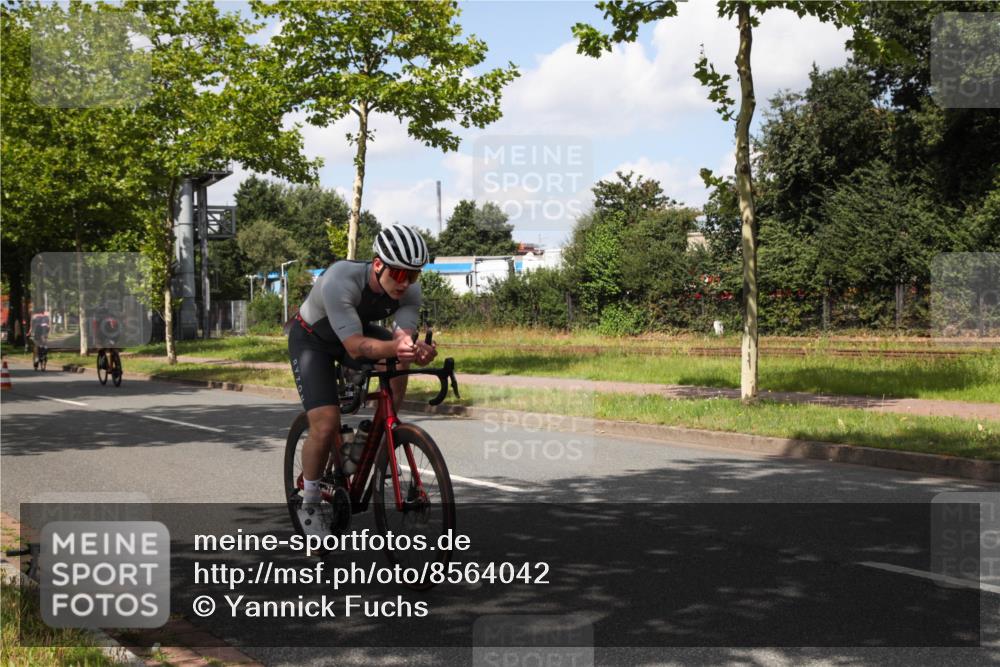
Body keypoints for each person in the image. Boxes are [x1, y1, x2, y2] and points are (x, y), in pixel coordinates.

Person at [287, 224, 437, 535]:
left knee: (399, 361)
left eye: (413, 275)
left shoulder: (410, 290)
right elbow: (357, 347)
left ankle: (379, 437)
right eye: (399, 273)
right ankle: (310, 501)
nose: (405, 283)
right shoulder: (340, 279)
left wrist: (415, 350)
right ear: (378, 264)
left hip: (354, 331)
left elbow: (401, 338)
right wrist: (397, 348)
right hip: (313, 340)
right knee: (326, 423)